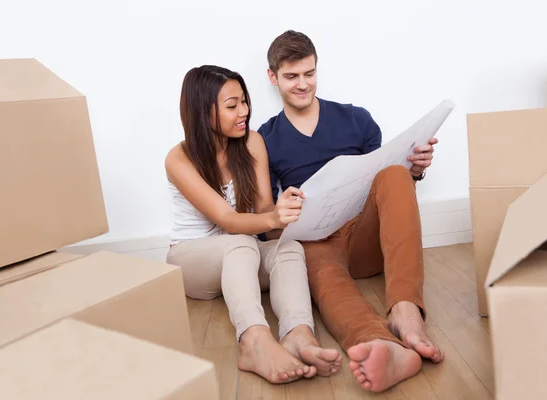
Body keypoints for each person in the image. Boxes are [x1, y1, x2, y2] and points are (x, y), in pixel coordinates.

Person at [257, 30, 445, 393]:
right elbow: (265, 223)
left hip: (364, 236)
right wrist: (281, 211)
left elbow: (390, 192)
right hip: (317, 243)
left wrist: (415, 169)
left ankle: (406, 314)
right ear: (272, 77)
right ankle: (385, 347)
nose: (302, 85)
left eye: (309, 74)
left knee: (392, 173)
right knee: (327, 283)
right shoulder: (265, 138)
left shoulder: (356, 119)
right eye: (291, 77)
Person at [165, 65, 343, 384]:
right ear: (202, 112)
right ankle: (254, 341)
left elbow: (263, 215)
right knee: (241, 242)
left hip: (240, 259)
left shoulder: (252, 142)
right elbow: (229, 221)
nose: (244, 112)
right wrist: (272, 216)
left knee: (286, 247)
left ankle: (298, 334)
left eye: (244, 102)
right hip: (191, 260)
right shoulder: (179, 158)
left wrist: (295, 215)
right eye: (232, 106)